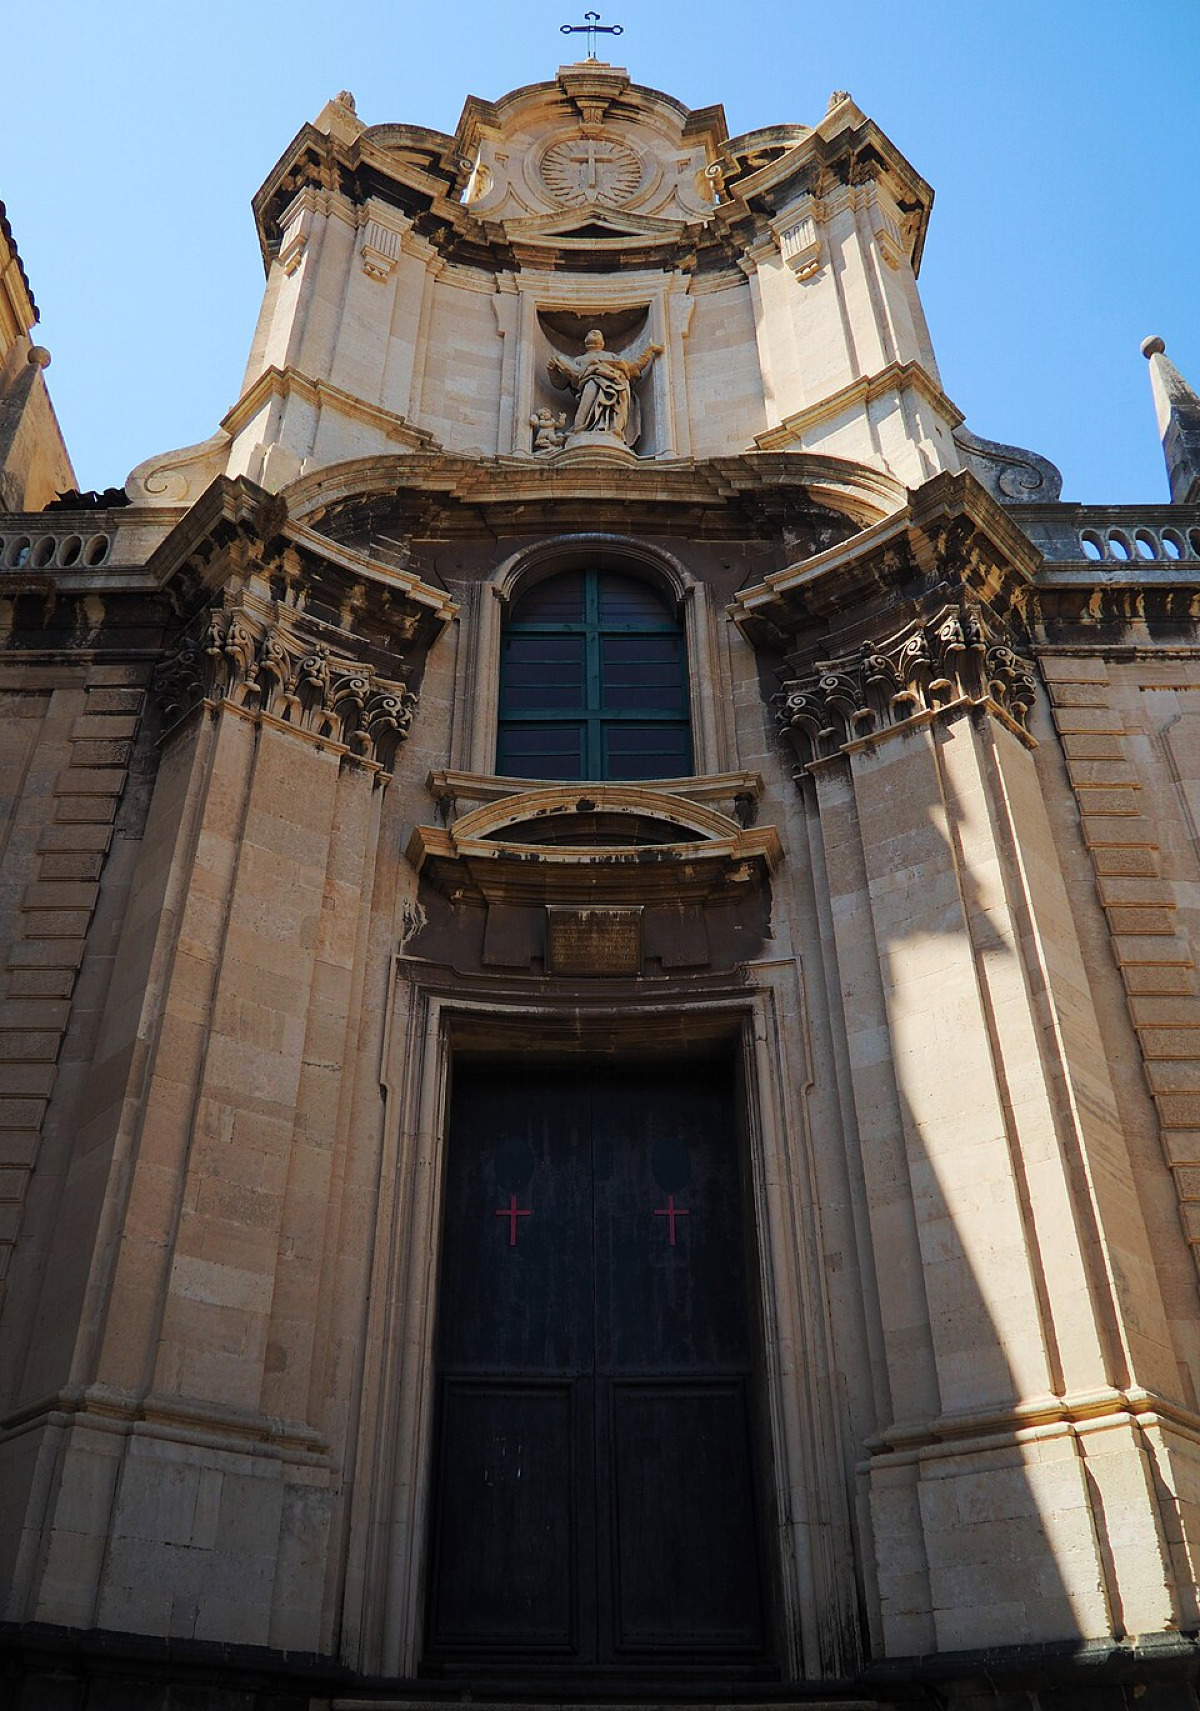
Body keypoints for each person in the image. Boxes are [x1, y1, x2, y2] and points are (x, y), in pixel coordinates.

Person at [547, 328, 663, 445]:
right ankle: (581, 428)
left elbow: (633, 368)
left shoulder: (612, 357)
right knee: (591, 385)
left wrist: (649, 350)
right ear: (586, 341)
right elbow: (561, 384)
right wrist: (552, 371)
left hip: (616, 387)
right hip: (590, 385)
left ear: (602, 342)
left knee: (620, 385)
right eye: (590, 333)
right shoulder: (578, 360)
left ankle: (612, 429)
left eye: (598, 333)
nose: (594, 333)